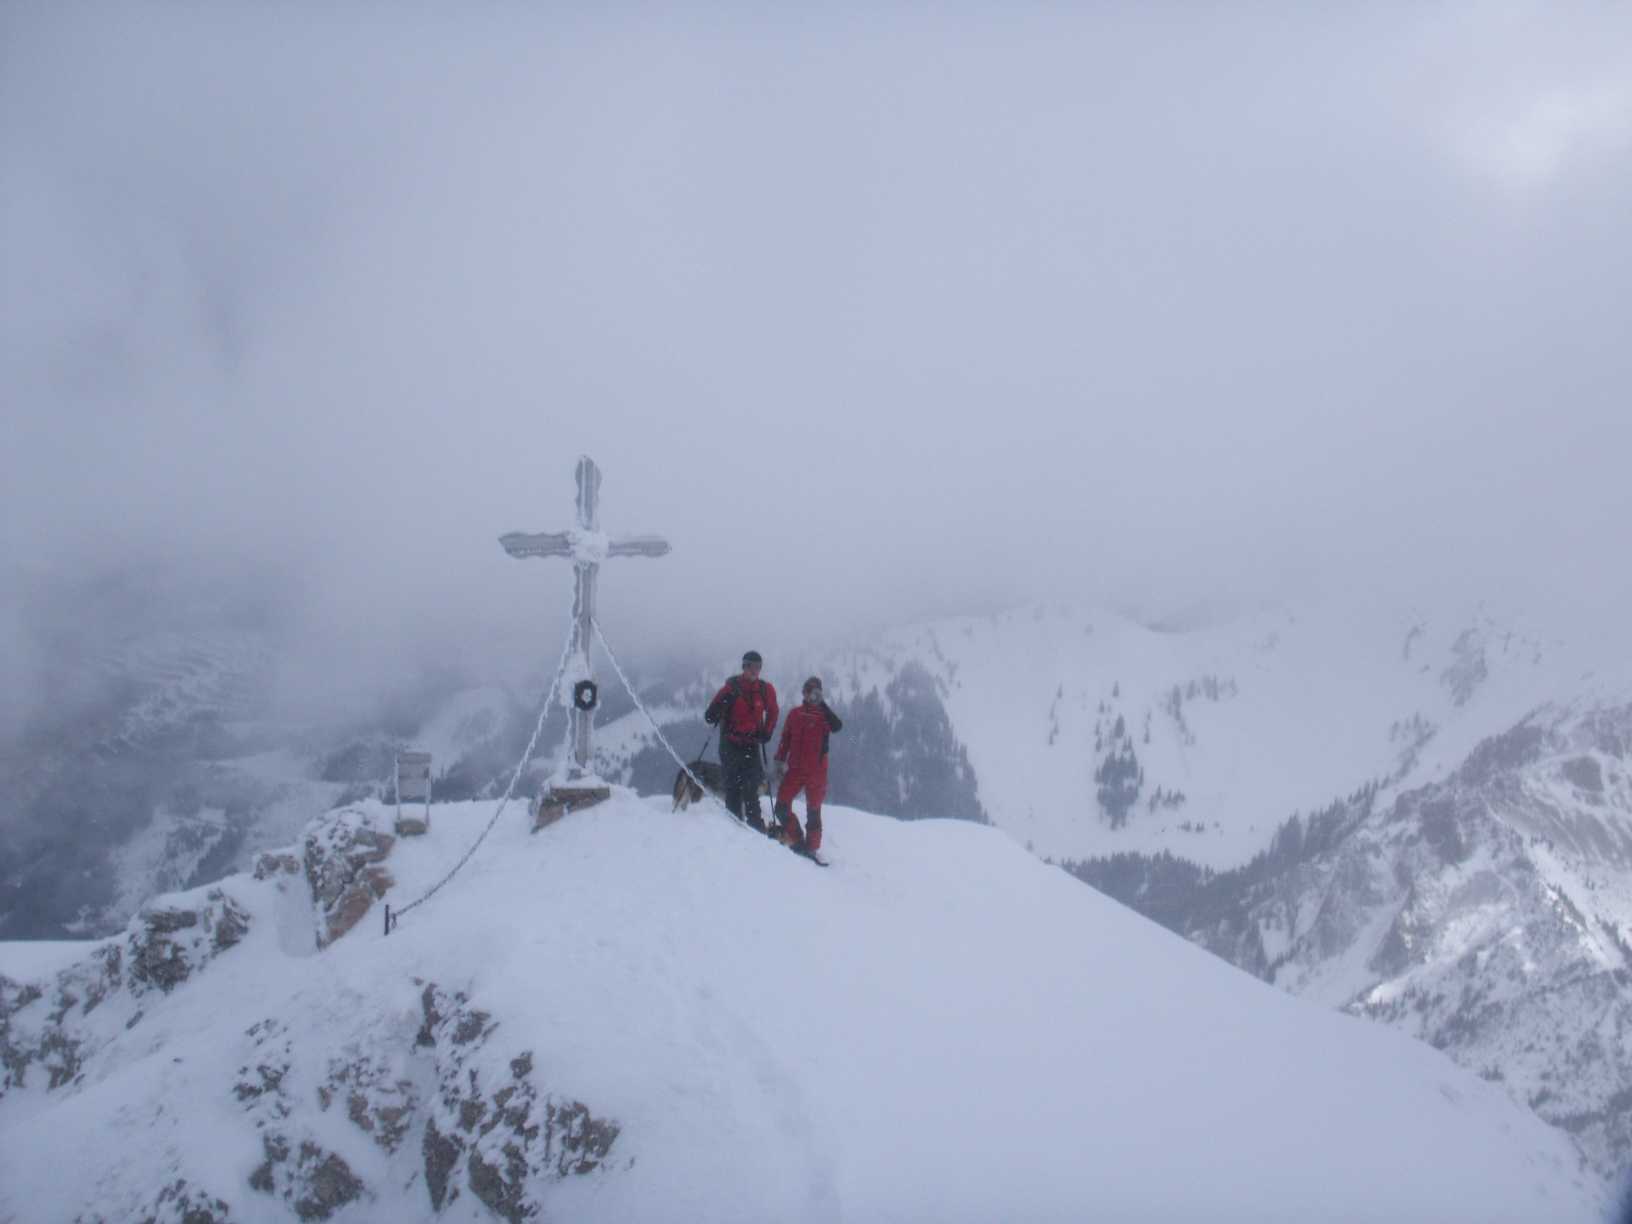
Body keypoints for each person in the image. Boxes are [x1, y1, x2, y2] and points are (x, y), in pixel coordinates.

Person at [704, 651, 780, 832]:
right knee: (733, 789)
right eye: (751, 667)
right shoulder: (730, 689)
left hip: (751, 745)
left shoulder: (765, 689)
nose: (755, 671)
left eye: (758, 667)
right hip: (730, 744)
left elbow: (774, 711)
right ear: (744, 667)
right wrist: (720, 707)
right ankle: (735, 829)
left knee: (751, 788)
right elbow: (710, 716)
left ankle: (754, 828)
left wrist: (766, 732)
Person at [771, 677, 842, 854]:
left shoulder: (824, 716)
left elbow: (837, 726)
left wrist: (822, 705)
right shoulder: (795, 714)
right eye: (810, 691)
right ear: (803, 692)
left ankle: (811, 848)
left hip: (817, 772)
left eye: (817, 692)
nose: (812, 695)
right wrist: (779, 761)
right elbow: (785, 739)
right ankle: (796, 838)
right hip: (795, 769)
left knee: (813, 810)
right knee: (781, 806)